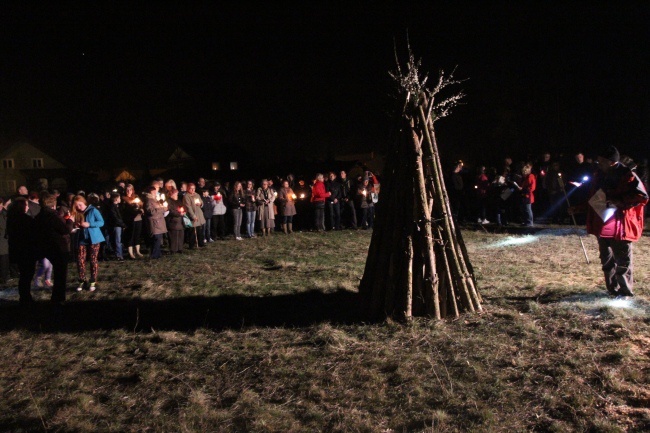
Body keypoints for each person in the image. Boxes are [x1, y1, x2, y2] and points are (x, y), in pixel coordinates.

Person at [577, 146, 648, 298]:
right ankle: (612, 289)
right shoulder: (599, 175)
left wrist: (617, 201)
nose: (598, 162)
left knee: (622, 261)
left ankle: (625, 292)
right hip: (603, 225)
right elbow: (595, 198)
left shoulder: (627, 175)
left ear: (610, 162)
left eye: (601, 160)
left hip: (621, 226)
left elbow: (641, 196)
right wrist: (579, 208)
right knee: (607, 260)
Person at [34, 193, 74, 304]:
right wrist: (70, 220)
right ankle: (59, 298)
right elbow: (65, 230)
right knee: (60, 274)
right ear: (53, 203)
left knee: (57, 271)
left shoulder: (39, 216)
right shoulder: (53, 216)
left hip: (46, 246)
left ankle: (56, 298)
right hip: (58, 247)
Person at [71, 195, 105, 292]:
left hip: (94, 239)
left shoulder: (93, 210)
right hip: (82, 239)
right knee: (80, 260)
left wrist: (90, 224)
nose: (78, 207)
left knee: (93, 260)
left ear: (84, 202)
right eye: (76, 206)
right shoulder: (76, 213)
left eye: (80, 205)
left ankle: (93, 280)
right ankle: (82, 279)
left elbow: (101, 222)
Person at [6, 197, 36, 305]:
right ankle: (25, 297)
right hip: (25, 250)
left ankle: (25, 296)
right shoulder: (23, 219)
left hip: (19, 250)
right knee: (26, 274)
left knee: (24, 274)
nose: (27, 207)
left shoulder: (12, 218)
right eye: (26, 205)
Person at [144, 186, 168, 259]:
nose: (155, 193)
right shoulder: (149, 200)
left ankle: (158, 254)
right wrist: (162, 209)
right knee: (156, 239)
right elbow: (151, 211)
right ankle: (154, 255)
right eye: (153, 192)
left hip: (159, 221)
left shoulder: (155, 200)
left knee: (158, 238)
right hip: (154, 222)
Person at [122, 184, 145, 259]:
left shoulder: (136, 197)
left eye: (130, 190)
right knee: (130, 236)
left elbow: (141, 204)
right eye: (127, 190)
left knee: (137, 235)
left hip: (138, 218)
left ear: (133, 190)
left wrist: (140, 207)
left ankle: (138, 251)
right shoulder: (124, 198)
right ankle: (131, 253)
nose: (129, 191)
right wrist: (132, 204)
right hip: (130, 219)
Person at [182, 183, 206, 248]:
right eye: (191, 188)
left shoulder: (197, 195)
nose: (193, 190)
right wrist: (193, 216)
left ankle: (200, 243)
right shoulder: (186, 196)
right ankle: (191, 244)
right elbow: (188, 207)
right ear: (188, 189)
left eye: (194, 188)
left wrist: (200, 204)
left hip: (199, 213)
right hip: (193, 214)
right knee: (192, 230)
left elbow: (201, 202)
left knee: (199, 229)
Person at [105, 192, 126, 261]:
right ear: (116, 199)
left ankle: (119, 254)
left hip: (118, 225)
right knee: (117, 240)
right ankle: (119, 255)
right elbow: (115, 218)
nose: (120, 199)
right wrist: (122, 224)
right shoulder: (112, 207)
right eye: (119, 198)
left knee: (118, 240)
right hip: (116, 225)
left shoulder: (117, 206)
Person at [165, 188, 185, 254]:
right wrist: (179, 213)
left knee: (180, 235)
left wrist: (184, 211)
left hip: (180, 221)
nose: (177, 195)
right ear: (171, 194)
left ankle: (180, 248)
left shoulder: (178, 201)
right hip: (173, 221)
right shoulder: (168, 201)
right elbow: (170, 210)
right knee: (173, 235)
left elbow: (183, 207)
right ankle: (173, 249)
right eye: (175, 193)